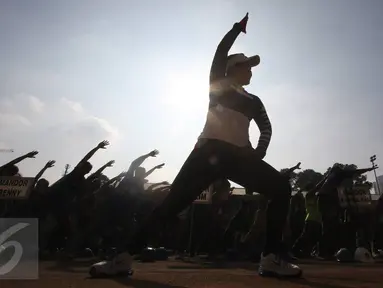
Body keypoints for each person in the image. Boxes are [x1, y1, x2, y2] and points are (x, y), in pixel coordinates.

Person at [90, 13, 301, 278]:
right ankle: (121, 258)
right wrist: (237, 29)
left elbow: (267, 128)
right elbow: (220, 50)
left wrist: (257, 154)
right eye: (246, 65)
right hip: (207, 152)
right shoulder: (218, 84)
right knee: (171, 207)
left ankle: (271, 258)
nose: (250, 70)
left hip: (239, 156)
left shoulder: (255, 100)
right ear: (231, 69)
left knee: (281, 188)